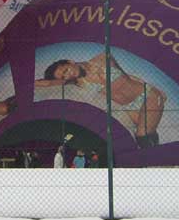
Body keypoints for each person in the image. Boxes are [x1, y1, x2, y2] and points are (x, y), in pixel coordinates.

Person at [36, 51, 167, 148]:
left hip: (147, 95)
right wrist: (24, 83)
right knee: (147, 136)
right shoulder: (78, 82)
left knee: (143, 135)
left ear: (70, 61)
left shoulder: (103, 58)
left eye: (66, 69)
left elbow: (128, 76)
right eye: (63, 76)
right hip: (129, 109)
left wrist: (153, 89)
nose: (67, 74)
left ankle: (157, 162)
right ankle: (162, 162)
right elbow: (47, 83)